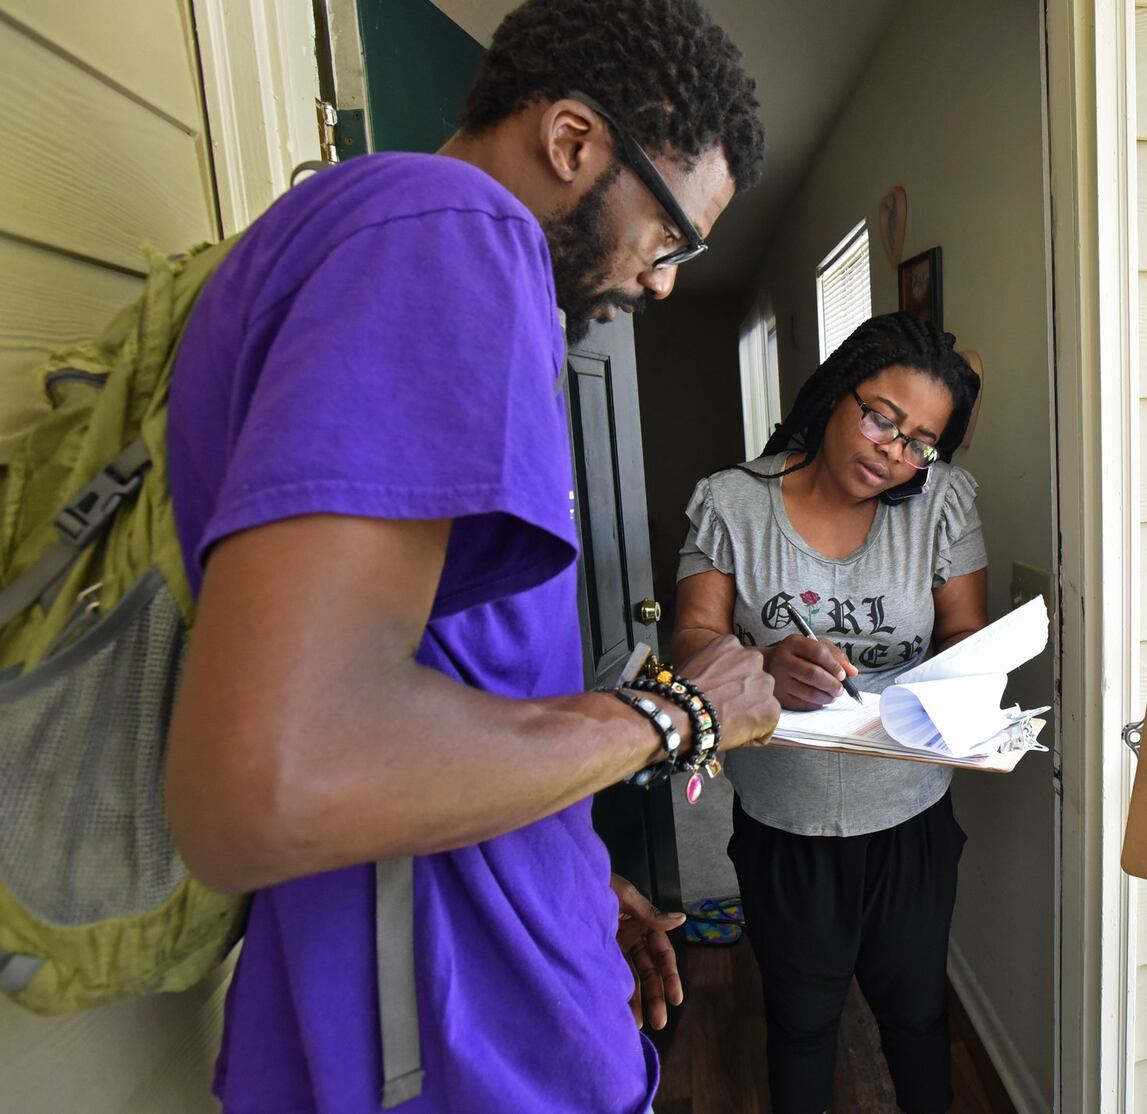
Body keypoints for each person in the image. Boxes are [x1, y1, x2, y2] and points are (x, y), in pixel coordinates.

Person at [160, 2, 780, 1111]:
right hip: (460, 1052)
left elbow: (431, 684)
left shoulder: (353, 233)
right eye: (671, 236)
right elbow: (271, 777)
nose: (663, 281)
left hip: (428, 999)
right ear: (575, 142)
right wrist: (676, 714)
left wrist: (571, 873)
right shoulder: (452, 232)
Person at [672, 312, 987, 1114]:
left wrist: (956, 689)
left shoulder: (943, 503)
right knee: (803, 1024)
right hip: (786, 824)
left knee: (917, 1018)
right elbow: (694, 639)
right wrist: (764, 666)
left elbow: (963, 633)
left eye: (921, 440)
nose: (895, 449)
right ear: (835, 394)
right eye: (882, 417)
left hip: (911, 819)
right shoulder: (730, 503)